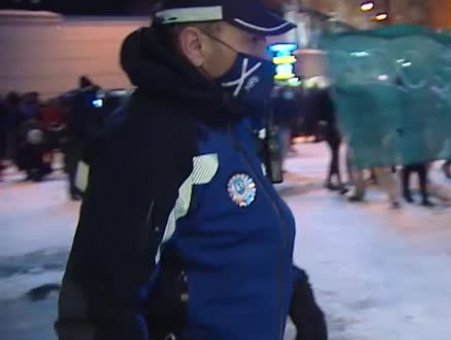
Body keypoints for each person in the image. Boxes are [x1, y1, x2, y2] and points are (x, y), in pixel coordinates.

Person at [55, 1, 298, 340]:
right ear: (195, 45)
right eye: (252, 41)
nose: (264, 56)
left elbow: (228, 236)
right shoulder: (151, 138)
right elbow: (100, 300)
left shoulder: (226, 119)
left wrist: (297, 292)